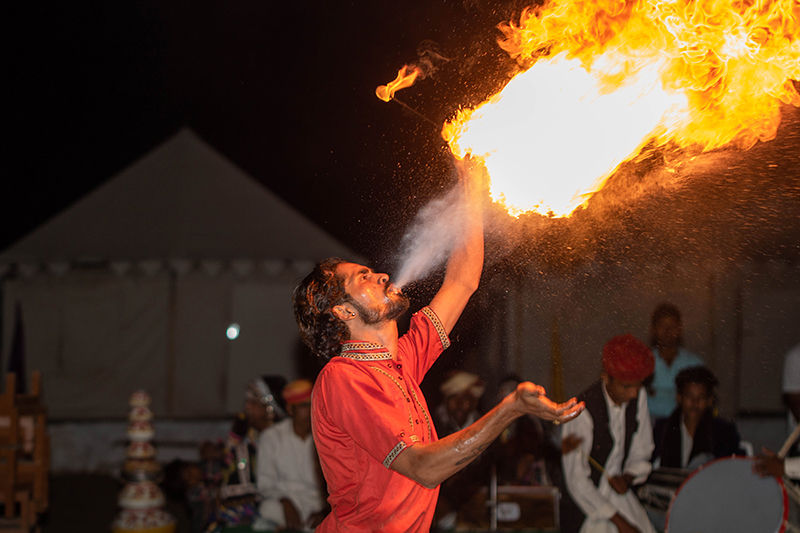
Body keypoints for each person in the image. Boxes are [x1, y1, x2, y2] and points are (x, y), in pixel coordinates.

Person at [292, 162, 584, 533]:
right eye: (363, 277)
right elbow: (423, 468)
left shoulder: (401, 361)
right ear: (345, 311)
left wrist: (471, 189)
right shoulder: (342, 379)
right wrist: (509, 410)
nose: (381, 274)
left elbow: (463, 279)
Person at [560, 334, 656, 533]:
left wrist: (628, 477)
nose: (634, 394)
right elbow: (576, 480)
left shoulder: (639, 397)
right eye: (626, 386)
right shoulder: (582, 412)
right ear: (605, 378)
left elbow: (642, 448)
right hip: (588, 507)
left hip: (622, 498)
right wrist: (621, 524)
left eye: (639, 385)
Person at [206, 376, 285, 532]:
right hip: (235, 511)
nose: (246, 406)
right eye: (246, 401)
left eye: (253, 402)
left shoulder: (284, 440)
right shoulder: (244, 437)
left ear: (270, 408)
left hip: (271, 509)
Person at [254, 379, 328, 531]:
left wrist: (324, 511)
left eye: (312, 404)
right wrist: (286, 502)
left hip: (317, 504)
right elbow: (265, 483)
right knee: (268, 509)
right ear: (290, 409)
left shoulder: (325, 436)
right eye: (303, 406)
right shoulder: (272, 437)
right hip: (283, 503)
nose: (309, 411)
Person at [653, 366, 744, 469]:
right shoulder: (662, 429)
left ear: (710, 400)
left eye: (701, 397)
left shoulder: (724, 432)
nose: (694, 403)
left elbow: (732, 467)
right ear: (679, 398)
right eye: (688, 396)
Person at [647, 303, 703, 422]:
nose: (667, 331)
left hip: (684, 423)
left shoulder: (693, 362)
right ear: (653, 329)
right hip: (649, 424)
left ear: (680, 329)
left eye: (672, 326)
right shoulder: (644, 361)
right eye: (662, 326)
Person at [434, 370, 485, 438]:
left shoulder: (484, 428)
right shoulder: (434, 427)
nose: (459, 403)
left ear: (474, 403)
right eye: (454, 397)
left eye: (465, 398)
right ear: (446, 401)